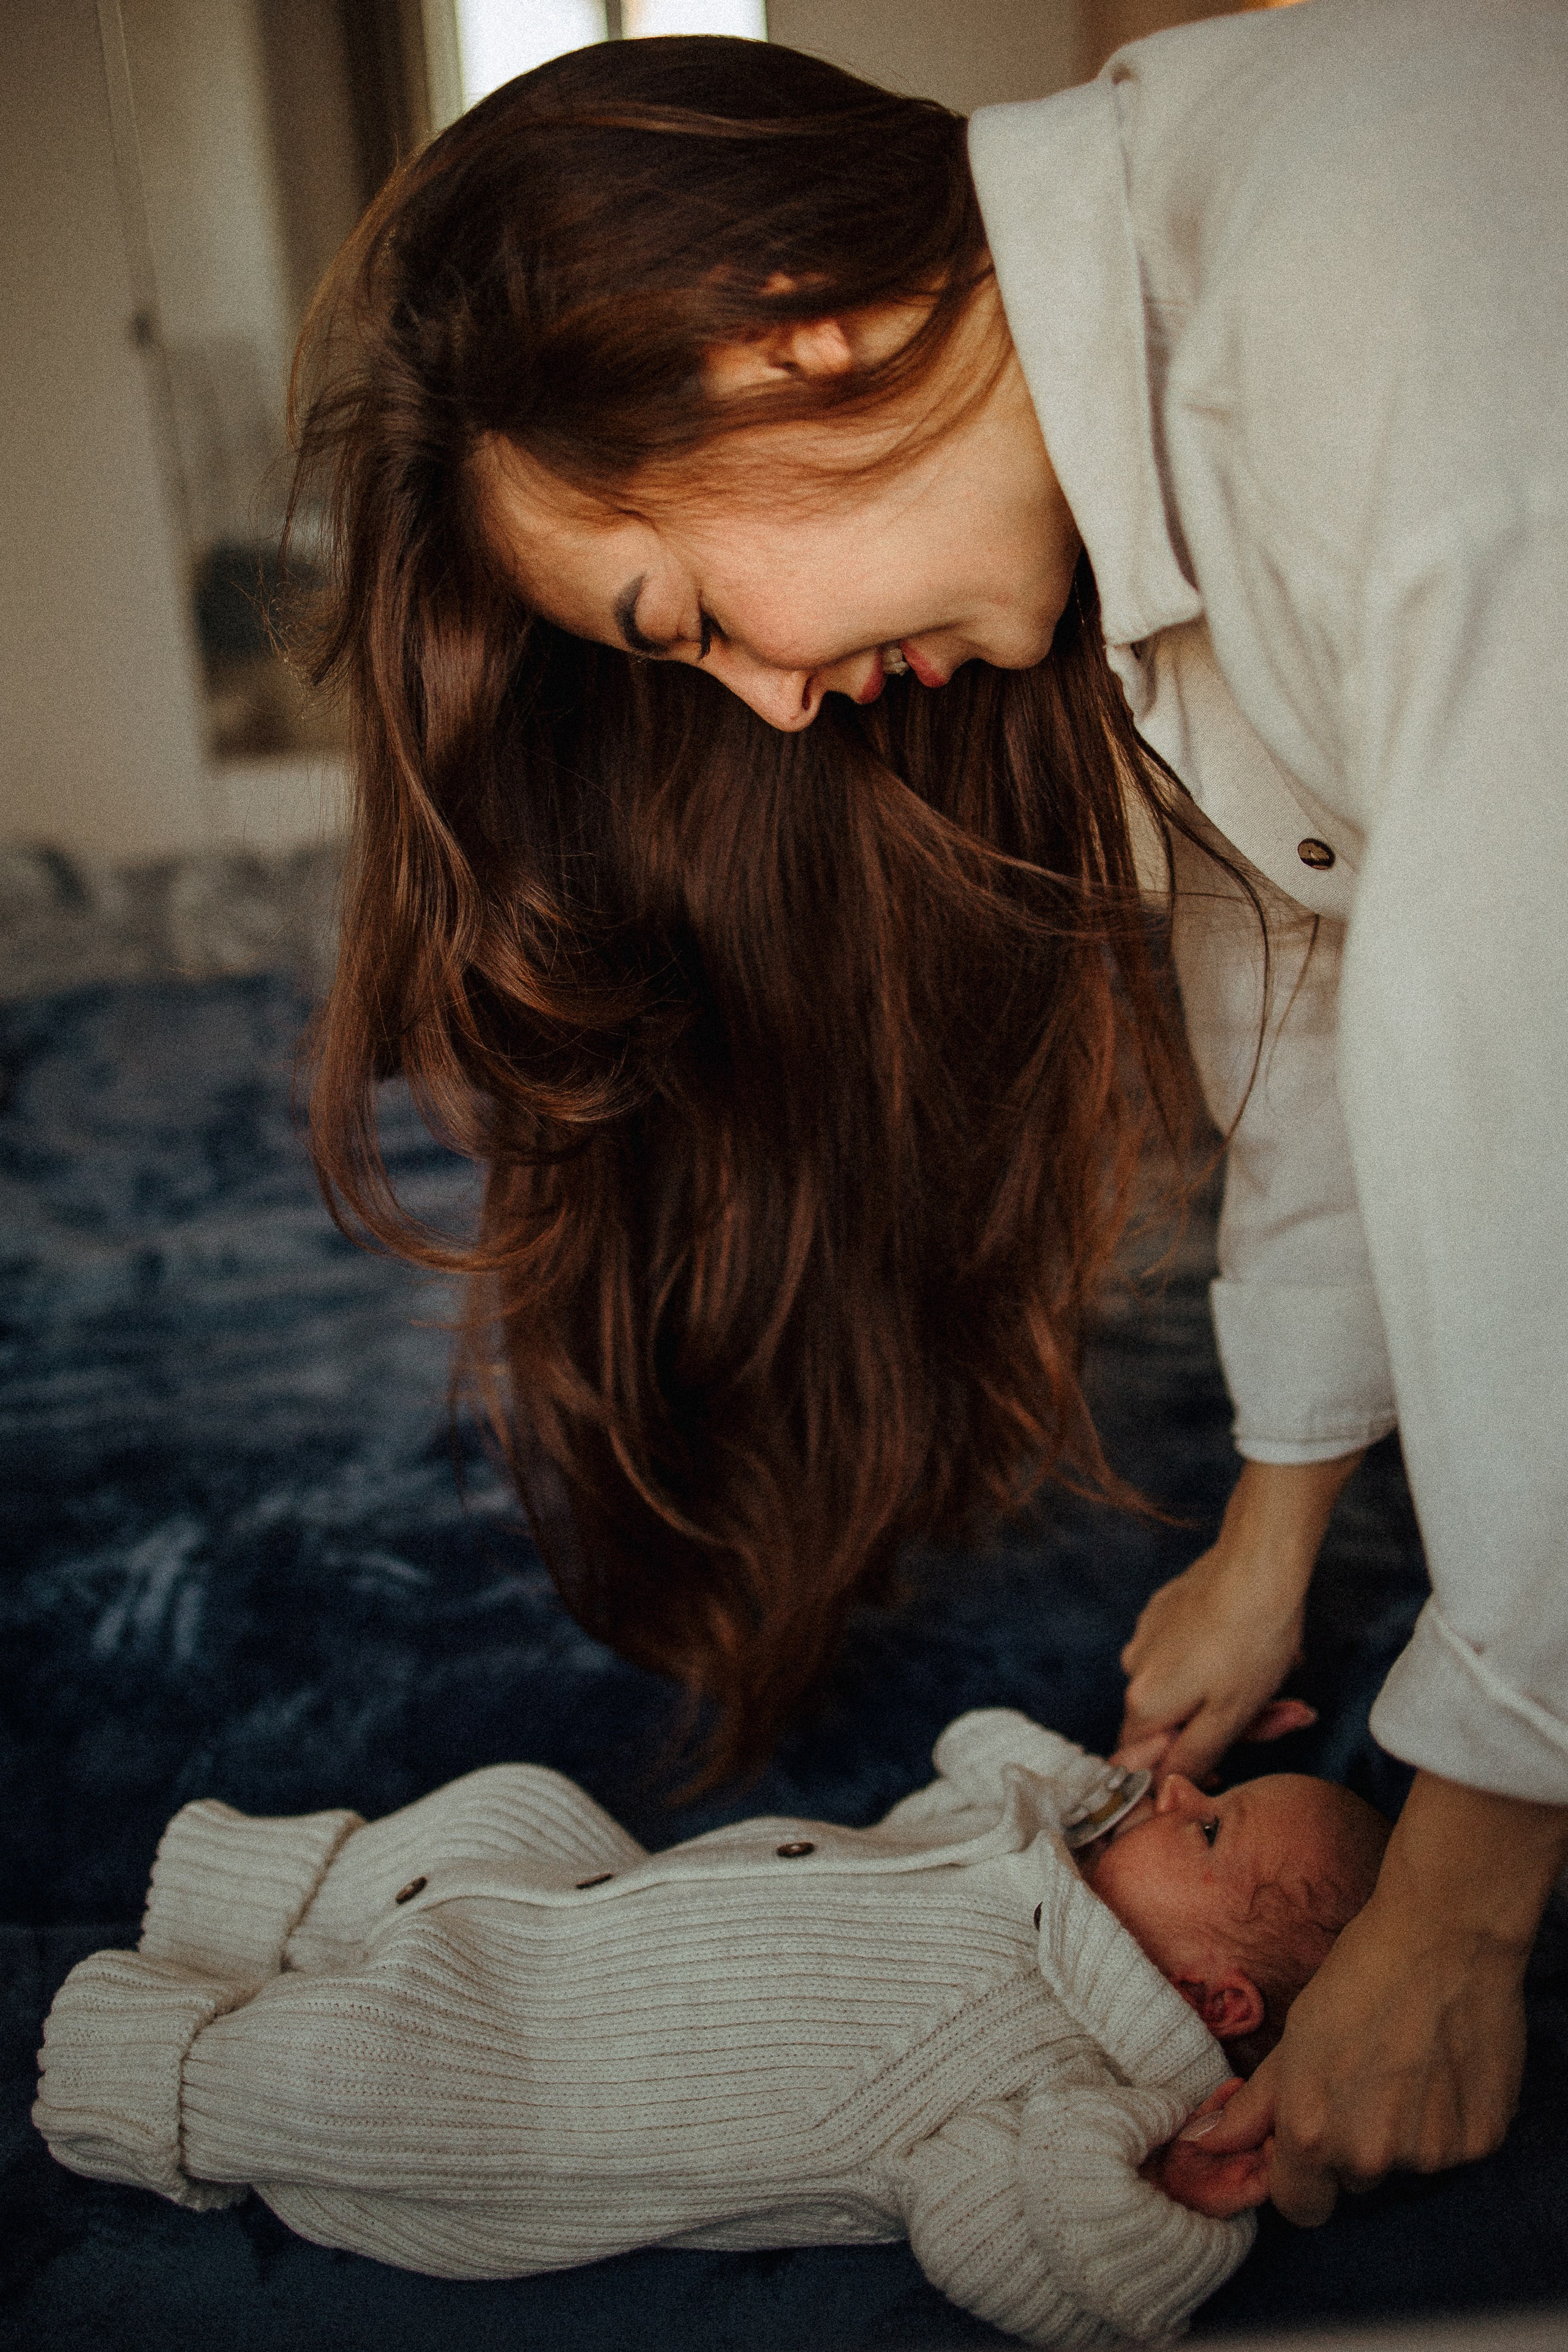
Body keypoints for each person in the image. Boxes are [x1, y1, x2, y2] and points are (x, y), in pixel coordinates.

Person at [287, 0, 1568, 2232]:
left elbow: (1526, 1095)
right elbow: (1333, 973)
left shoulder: (1386, 331)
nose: (775, 707)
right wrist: (1275, 1532)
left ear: (794, 331)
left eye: (687, 615)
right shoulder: (1159, 454)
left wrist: (1460, 1897)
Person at [34, 1711, 1388, 2344]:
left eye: (1210, 1833)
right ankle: (241, 1913)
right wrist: (1109, 1778)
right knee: (511, 1807)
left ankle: (147, 2072)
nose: (1176, 1802)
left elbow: (1009, 2243)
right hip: (606, 1901)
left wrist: (1153, 2200)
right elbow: (967, 1752)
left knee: (359, 2067)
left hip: (559, 2081)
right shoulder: (1033, 1850)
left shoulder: (1071, 2079)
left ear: (1214, 1999)